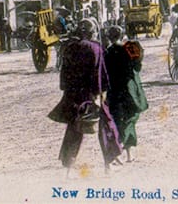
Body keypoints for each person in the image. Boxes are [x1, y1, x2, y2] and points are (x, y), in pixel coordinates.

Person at [48, 18, 122, 175]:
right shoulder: (96, 48)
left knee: (74, 130)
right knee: (105, 127)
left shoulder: (68, 48)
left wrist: (68, 92)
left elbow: (64, 74)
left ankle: (68, 168)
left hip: (73, 95)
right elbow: (100, 75)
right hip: (91, 94)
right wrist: (99, 95)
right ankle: (108, 166)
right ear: (92, 32)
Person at [105, 26, 148, 163]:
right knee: (131, 118)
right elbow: (137, 67)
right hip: (129, 90)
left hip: (113, 91)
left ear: (109, 37)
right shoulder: (128, 49)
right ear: (122, 35)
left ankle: (117, 153)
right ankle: (128, 153)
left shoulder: (107, 52)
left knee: (116, 120)